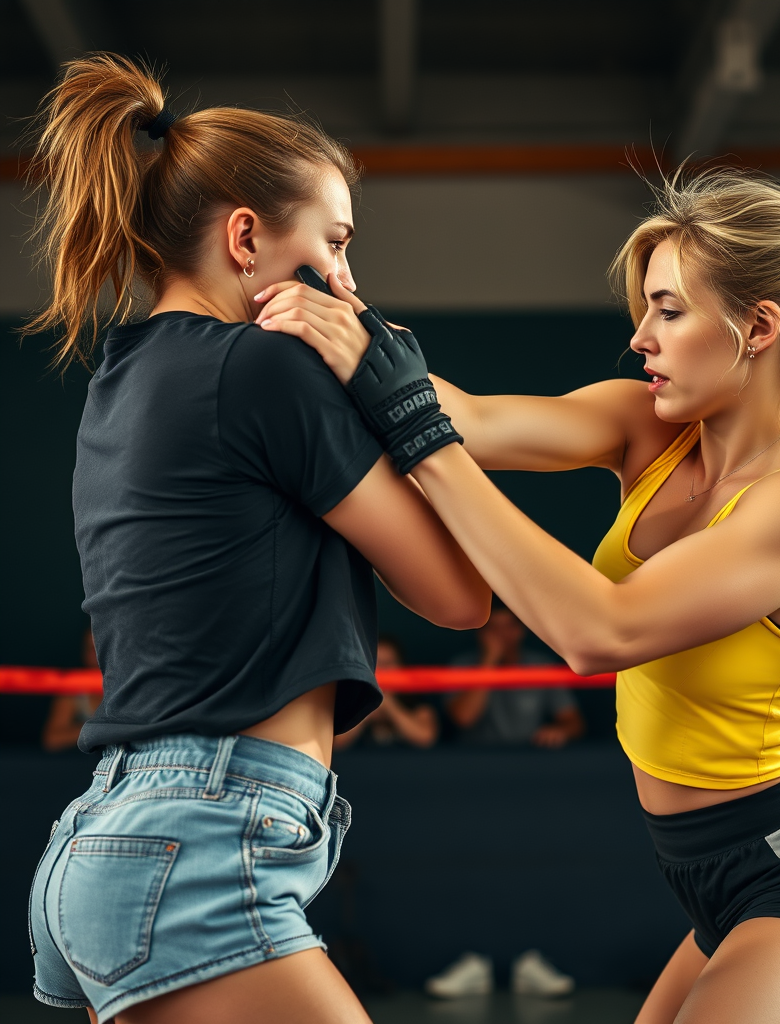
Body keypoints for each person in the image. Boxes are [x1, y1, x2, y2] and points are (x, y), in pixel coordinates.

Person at [290, 166, 780, 1023]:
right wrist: (330, 318)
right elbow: (472, 421)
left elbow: (600, 630)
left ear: (758, 327)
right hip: (705, 882)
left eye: (669, 310)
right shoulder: (648, 424)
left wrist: (414, 427)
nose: (640, 338)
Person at [25, 53, 488, 1024]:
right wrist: (391, 392)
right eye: (335, 241)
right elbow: (458, 596)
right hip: (201, 836)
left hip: (119, 829)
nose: (349, 277)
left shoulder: (126, 375)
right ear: (246, 236)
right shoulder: (262, 372)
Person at [447, 603, 585, 747]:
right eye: (493, 628)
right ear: (481, 633)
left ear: (520, 631)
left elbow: (574, 722)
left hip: (527, 756)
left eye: (508, 627)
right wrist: (489, 660)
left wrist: (559, 731)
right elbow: (464, 718)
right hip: (476, 757)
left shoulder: (541, 666)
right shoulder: (462, 664)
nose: (501, 634)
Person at [334, 636, 439, 749]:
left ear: (401, 666)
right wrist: (368, 706)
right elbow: (337, 742)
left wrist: (389, 705)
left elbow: (426, 737)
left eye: (388, 663)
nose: (383, 669)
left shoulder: (414, 699)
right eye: (377, 662)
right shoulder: (350, 697)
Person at [41, 628, 102, 752]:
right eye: (89, 648)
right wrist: (99, 730)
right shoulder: (73, 689)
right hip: (88, 766)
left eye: (100, 646)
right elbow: (52, 739)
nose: (93, 654)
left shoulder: (131, 684)